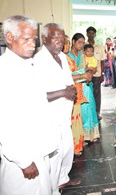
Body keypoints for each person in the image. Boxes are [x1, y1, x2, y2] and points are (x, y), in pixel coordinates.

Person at [0, 15, 57, 195]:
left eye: (34, 38)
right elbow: (4, 122)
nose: (32, 43)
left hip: (38, 151)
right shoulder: (6, 70)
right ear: (10, 38)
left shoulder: (27, 65)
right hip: (23, 160)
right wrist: (23, 160)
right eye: (26, 39)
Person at [34, 23, 80, 194]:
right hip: (50, 118)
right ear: (44, 38)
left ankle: (62, 179)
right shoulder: (39, 61)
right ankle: (53, 190)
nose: (60, 42)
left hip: (64, 114)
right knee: (54, 157)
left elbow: (67, 80)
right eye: (56, 38)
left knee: (67, 150)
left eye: (62, 38)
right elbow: (36, 95)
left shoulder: (61, 56)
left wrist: (71, 90)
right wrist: (64, 92)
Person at [67, 33, 93, 156]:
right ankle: (73, 144)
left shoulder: (82, 56)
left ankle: (80, 140)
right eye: (79, 42)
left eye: (83, 42)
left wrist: (87, 73)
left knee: (82, 114)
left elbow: (85, 68)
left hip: (83, 86)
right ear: (73, 42)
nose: (82, 45)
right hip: (71, 88)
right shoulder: (67, 56)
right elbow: (67, 76)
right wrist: (82, 74)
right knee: (73, 117)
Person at [81, 44, 100, 142]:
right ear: (84, 51)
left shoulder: (93, 59)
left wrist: (88, 69)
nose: (90, 53)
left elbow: (92, 69)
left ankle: (91, 133)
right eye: (87, 51)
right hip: (81, 84)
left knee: (90, 106)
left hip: (88, 83)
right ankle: (84, 134)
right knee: (84, 109)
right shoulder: (82, 58)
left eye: (91, 51)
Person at [86, 26, 106, 120]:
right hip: (85, 75)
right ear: (87, 34)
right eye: (89, 33)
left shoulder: (100, 47)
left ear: (95, 34)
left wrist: (102, 74)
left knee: (97, 95)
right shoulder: (83, 46)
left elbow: (102, 61)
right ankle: (88, 114)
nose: (91, 35)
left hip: (97, 74)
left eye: (92, 33)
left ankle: (97, 113)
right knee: (87, 94)